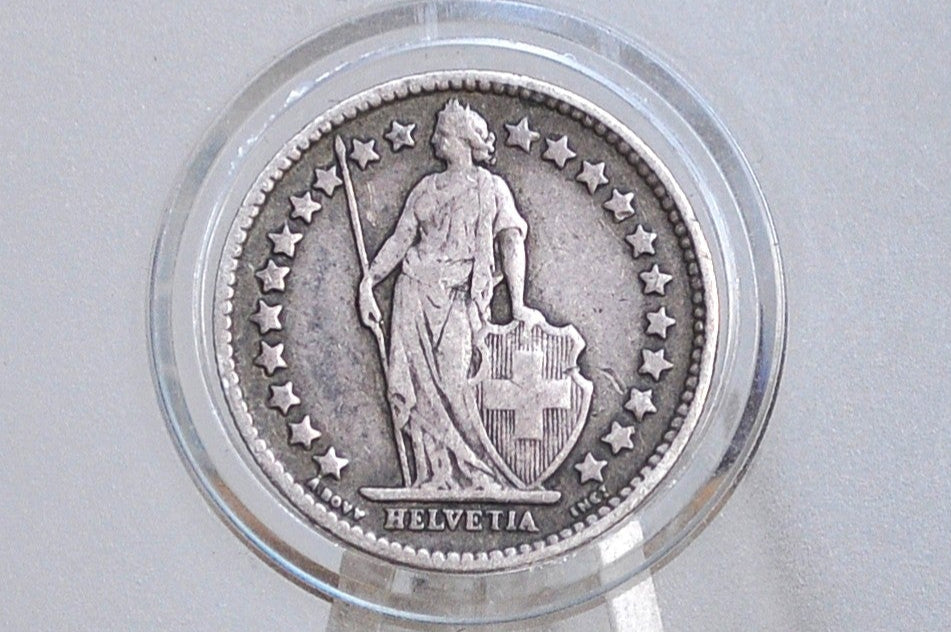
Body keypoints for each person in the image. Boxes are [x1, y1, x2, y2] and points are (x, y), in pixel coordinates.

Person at [358, 99, 544, 492]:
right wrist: (369, 282)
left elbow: (511, 242)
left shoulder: (491, 188)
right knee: (418, 386)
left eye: (441, 134)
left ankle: (481, 472)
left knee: (458, 385)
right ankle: (435, 474)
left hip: (459, 296)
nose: (433, 140)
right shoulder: (426, 188)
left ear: (463, 140)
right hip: (413, 293)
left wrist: (518, 304)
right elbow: (401, 240)